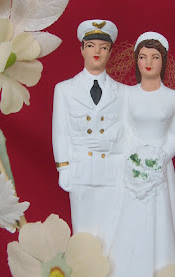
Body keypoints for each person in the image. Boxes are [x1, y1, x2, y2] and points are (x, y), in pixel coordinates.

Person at [86, 31, 175, 277]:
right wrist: (136, 154)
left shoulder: (173, 98)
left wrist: (159, 157)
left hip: (160, 169)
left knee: (159, 224)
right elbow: (124, 128)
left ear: (163, 61)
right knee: (128, 224)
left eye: (154, 57)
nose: (148, 63)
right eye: (143, 57)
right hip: (132, 168)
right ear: (136, 61)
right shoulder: (128, 94)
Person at [52, 20, 126, 251]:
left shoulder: (123, 92)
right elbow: (60, 131)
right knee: (83, 233)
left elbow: (128, 133)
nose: (97, 52)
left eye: (103, 48)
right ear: (82, 49)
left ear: (110, 52)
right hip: (80, 169)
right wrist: (63, 167)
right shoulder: (64, 89)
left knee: (111, 233)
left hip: (112, 173)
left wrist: (113, 145)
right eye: (91, 45)